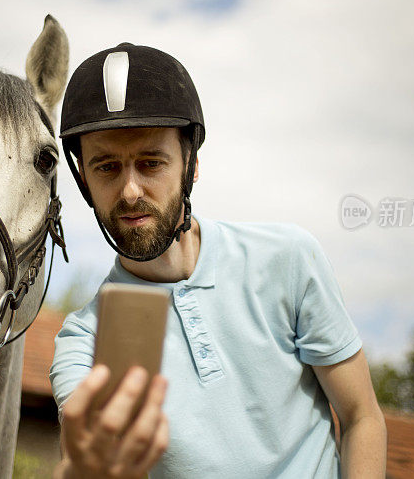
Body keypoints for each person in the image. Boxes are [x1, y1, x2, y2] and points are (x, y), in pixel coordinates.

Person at [50, 42, 387, 478]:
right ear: (84, 180)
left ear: (191, 164)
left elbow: (362, 416)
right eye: (107, 168)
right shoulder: (84, 342)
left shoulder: (288, 260)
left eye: (151, 163)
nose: (130, 190)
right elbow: (93, 460)